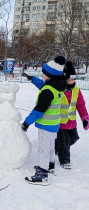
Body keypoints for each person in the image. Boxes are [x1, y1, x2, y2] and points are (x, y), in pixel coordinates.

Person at [21, 55, 67, 186]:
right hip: (53, 125)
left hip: (46, 125)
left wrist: (26, 123)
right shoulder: (55, 86)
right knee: (51, 147)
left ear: (50, 75)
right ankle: (50, 165)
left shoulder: (48, 91)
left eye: (44, 73)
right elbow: (43, 85)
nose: (42, 75)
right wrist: (32, 79)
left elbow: (38, 111)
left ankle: (42, 175)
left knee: (44, 149)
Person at [55, 61, 89, 169]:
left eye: (73, 79)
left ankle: (56, 146)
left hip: (71, 122)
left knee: (74, 138)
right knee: (65, 143)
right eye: (68, 79)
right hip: (60, 123)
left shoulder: (76, 91)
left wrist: (85, 118)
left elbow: (81, 105)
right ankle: (64, 160)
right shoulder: (58, 91)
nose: (71, 82)